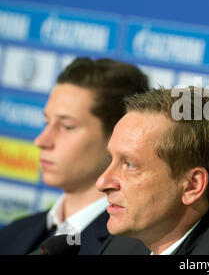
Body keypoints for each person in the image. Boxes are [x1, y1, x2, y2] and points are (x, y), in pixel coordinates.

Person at [0, 58, 149, 255]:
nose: (42, 141)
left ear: (119, 134)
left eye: (67, 126)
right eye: (47, 123)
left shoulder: (138, 247)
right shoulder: (15, 233)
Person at [96, 86, 209, 255]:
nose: (102, 182)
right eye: (111, 160)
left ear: (192, 185)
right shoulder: (123, 245)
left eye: (129, 165)